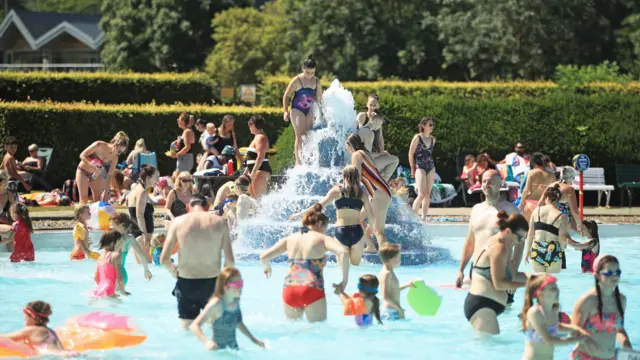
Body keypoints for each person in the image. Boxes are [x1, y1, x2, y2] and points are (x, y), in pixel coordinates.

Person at [260, 204, 349, 323]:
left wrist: (267, 267)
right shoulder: (322, 238)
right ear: (319, 224)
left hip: (289, 289)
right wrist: (344, 281)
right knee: (318, 331)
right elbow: (344, 252)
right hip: (311, 288)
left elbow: (263, 257)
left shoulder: (289, 238)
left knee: (293, 332)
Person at [160, 194, 235, 329]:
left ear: (188, 207)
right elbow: (230, 261)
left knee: (187, 331)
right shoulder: (220, 223)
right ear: (207, 207)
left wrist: (174, 272)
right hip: (212, 282)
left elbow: (164, 259)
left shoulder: (177, 223)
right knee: (215, 330)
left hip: (186, 283)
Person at [288, 165, 375, 265]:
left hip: (342, 232)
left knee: (342, 269)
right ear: (357, 176)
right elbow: (371, 215)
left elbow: (318, 206)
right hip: (357, 232)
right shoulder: (362, 192)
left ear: (344, 175)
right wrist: (370, 228)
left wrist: (299, 214)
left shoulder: (337, 190)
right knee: (355, 267)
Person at [464, 211, 529, 335]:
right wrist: (528, 285)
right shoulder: (498, 248)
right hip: (482, 306)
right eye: (520, 237)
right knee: (488, 350)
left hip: (484, 306)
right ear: (508, 232)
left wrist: (538, 279)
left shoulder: (503, 247)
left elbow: (513, 275)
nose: (520, 242)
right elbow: (499, 284)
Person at [456, 170, 521, 290]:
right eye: (484, 181)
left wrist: (514, 272)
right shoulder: (476, 209)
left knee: (504, 308)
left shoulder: (511, 211)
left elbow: (520, 244)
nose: (486, 184)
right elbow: (470, 242)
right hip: (477, 269)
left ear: (501, 184)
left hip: (501, 269)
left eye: (491, 182)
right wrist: (461, 270)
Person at [571, 255, 632, 359]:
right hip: (585, 357)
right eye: (609, 273)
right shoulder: (588, 301)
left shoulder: (621, 300)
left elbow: (619, 329)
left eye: (618, 272)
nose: (614, 276)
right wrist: (587, 341)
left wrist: (626, 344)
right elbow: (573, 332)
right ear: (597, 275)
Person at [525, 184, 595, 274]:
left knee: (539, 282)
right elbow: (562, 238)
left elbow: (530, 233)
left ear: (546, 198)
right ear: (558, 200)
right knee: (552, 281)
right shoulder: (562, 216)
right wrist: (563, 249)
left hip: (537, 248)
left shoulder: (536, 211)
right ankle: (580, 246)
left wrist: (527, 251)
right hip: (553, 249)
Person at [190, 267, 265, 351]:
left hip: (233, 348)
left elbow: (238, 322)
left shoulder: (235, 300)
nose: (240, 287)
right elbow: (194, 326)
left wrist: (254, 340)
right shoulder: (216, 304)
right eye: (237, 285)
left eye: (241, 283)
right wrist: (207, 342)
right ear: (225, 287)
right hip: (217, 351)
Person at [521, 274, 593, 360]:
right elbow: (549, 340)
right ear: (539, 293)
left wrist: (576, 329)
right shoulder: (535, 312)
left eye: (556, 287)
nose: (557, 291)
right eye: (552, 288)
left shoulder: (554, 309)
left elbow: (555, 326)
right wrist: (578, 339)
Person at [345, 134, 392, 248]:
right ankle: (370, 247)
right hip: (379, 192)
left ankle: (388, 261)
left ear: (349, 145)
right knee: (357, 219)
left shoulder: (356, 155)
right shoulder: (365, 153)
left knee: (378, 231)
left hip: (379, 193)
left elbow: (355, 177)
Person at [282, 55, 323, 167]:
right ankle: (298, 162)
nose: (310, 75)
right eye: (308, 72)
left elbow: (319, 99)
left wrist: (322, 112)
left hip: (309, 110)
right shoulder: (297, 80)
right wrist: (285, 111)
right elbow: (286, 96)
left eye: (312, 72)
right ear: (303, 68)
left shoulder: (316, 81)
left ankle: (308, 159)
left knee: (309, 134)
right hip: (297, 109)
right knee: (300, 135)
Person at [76, 131, 129, 204]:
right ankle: (80, 215)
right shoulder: (99, 145)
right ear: (115, 144)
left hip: (96, 175)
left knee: (98, 200)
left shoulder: (115, 157)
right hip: (83, 171)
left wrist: (106, 192)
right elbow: (82, 155)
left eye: (121, 152)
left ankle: (95, 215)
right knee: (83, 200)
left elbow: (109, 175)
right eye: (119, 150)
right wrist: (93, 166)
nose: (118, 153)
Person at [356, 95, 398, 181]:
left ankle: (382, 183)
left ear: (378, 106)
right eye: (370, 105)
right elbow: (359, 133)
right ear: (367, 105)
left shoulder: (378, 119)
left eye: (375, 105)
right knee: (369, 133)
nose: (372, 107)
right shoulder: (362, 116)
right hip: (362, 160)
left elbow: (380, 137)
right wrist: (370, 122)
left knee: (394, 159)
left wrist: (383, 151)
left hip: (372, 157)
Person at [0, 301, 67, 354]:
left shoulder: (31, 330)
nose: (24, 319)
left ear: (32, 317)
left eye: (25, 317)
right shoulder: (50, 331)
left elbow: (6, 338)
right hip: (67, 354)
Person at [538, 166, 584, 235]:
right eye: (573, 178)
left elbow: (540, 203)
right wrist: (580, 225)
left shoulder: (551, 185)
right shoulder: (569, 189)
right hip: (562, 220)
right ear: (571, 177)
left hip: (549, 217)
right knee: (563, 242)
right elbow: (575, 211)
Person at [108, 213, 153, 285]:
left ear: (121, 225)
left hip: (114, 275)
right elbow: (141, 255)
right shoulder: (130, 238)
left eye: (112, 226)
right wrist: (146, 269)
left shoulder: (114, 238)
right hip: (122, 274)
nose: (109, 227)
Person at [378, 243, 416, 320]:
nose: (400, 260)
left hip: (391, 310)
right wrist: (399, 309)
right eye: (399, 257)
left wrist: (407, 286)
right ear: (393, 259)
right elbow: (386, 296)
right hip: (390, 312)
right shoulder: (387, 274)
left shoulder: (386, 271)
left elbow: (393, 291)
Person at [408, 117, 437, 220]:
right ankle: (412, 217)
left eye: (432, 125)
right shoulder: (417, 138)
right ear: (423, 125)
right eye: (429, 124)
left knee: (428, 194)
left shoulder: (433, 139)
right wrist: (412, 168)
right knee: (421, 194)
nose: (431, 126)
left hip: (431, 166)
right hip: (420, 166)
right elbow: (411, 153)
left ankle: (424, 218)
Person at [127, 165, 159, 254]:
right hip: (142, 237)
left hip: (137, 234)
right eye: (156, 177)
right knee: (147, 264)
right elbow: (139, 215)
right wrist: (144, 236)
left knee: (141, 264)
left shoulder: (137, 188)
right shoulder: (142, 191)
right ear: (149, 177)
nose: (158, 180)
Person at [520, 153, 556, 220]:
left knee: (528, 228)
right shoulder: (552, 175)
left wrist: (521, 202)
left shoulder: (531, 172)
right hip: (544, 204)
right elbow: (553, 192)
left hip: (530, 203)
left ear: (533, 163)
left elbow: (526, 189)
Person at [92, 230, 127, 301]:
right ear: (113, 243)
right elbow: (119, 277)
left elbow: (96, 277)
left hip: (99, 290)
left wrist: (104, 288)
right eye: (120, 241)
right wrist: (123, 291)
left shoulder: (100, 256)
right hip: (109, 290)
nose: (122, 244)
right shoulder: (116, 255)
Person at [245, 115, 271, 197]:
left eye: (249, 125)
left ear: (253, 124)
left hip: (260, 170)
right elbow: (252, 158)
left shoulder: (261, 138)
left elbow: (260, 157)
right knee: (253, 199)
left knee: (258, 199)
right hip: (256, 170)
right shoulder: (257, 137)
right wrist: (246, 172)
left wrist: (252, 172)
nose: (248, 127)